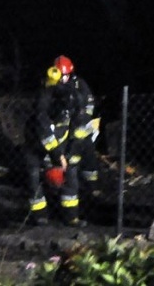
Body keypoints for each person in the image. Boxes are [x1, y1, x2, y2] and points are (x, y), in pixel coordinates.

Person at [23, 65, 90, 227]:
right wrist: (57, 155)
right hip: (37, 146)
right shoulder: (43, 107)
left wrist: (70, 154)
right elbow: (45, 134)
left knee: (71, 175)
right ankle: (39, 216)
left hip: (64, 143)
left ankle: (71, 217)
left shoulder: (75, 98)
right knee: (33, 176)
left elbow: (80, 131)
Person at [53, 55, 100, 189]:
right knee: (68, 158)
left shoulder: (79, 84)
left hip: (81, 128)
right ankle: (69, 181)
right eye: (61, 75)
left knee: (88, 155)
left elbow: (89, 103)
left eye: (66, 75)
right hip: (63, 131)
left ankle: (92, 186)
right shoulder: (51, 87)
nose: (63, 78)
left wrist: (83, 118)